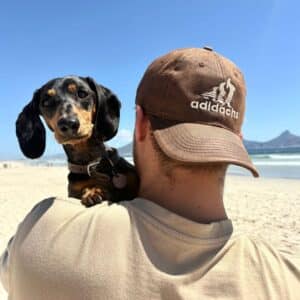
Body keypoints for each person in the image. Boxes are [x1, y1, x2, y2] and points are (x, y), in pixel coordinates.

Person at [1, 47, 299, 300]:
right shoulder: (286, 279)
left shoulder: (37, 235)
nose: (66, 117)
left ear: (140, 125)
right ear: (238, 140)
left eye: (81, 97)